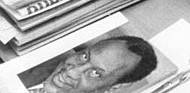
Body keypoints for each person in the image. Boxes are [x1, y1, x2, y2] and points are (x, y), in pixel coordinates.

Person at [25, 35, 157, 93]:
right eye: (84, 56)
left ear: (114, 87)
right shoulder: (30, 62)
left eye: (96, 73)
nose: (71, 72)